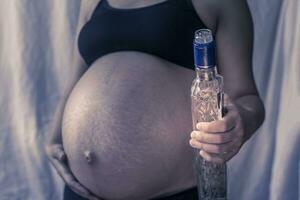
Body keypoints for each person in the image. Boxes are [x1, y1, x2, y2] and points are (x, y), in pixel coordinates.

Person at [45, 0, 265, 199]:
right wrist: (55, 137)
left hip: (175, 191)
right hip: (82, 190)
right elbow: (73, 82)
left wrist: (240, 124)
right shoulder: (91, 2)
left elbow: (246, 96)